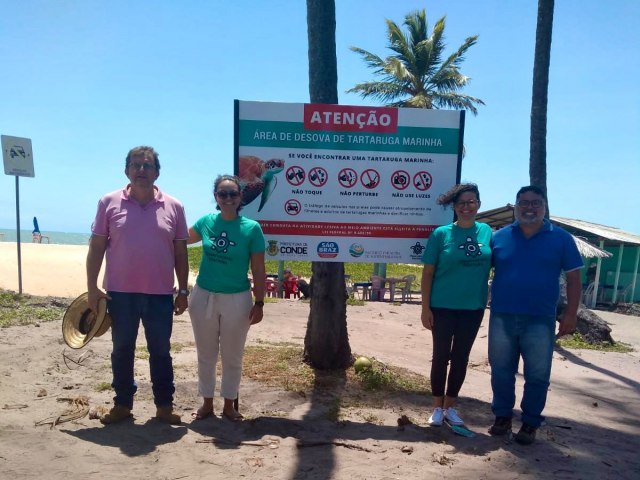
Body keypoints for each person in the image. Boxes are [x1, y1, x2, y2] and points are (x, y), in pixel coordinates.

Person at [86, 146, 189, 425]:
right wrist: (93, 289)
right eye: (135, 165)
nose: (141, 170)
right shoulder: (108, 202)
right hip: (120, 293)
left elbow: (180, 252)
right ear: (126, 171)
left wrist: (183, 290)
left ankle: (164, 406)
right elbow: (96, 247)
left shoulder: (175, 206)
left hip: (160, 295)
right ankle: (122, 405)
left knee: (160, 351)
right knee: (122, 350)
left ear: (157, 172)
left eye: (147, 166)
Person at [488, 185, 583, 445]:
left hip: (540, 319)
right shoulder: (499, 237)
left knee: (538, 374)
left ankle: (530, 423)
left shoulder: (561, 238)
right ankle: (502, 417)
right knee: (500, 370)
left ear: (544, 206)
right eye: (524, 202)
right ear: (516, 205)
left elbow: (574, 279)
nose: (529, 207)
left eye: (535, 203)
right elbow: (475, 271)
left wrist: (570, 314)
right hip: (502, 316)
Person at [187, 175, 266, 421]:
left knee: (233, 355)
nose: (228, 198)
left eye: (233, 194)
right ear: (216, 197)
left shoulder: (251, 228)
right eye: (223, 194)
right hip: (203, 296)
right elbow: (177, 240)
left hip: (238, 299)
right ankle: (207, 403)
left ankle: (229, 405)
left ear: (241, 197)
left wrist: (260, 302)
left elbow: (259, 269)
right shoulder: (206, 222)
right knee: (206, 354)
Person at [420, 183, 492, 427]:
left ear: (479, 204)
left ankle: (451, 407)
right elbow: (428, 273)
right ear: (454, 207)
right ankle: (437, 407)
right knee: (440, 356)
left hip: (473, 307)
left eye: (471, 202)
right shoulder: (441, 234)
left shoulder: (487, 232)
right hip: (442, 306)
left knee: (461, 357)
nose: (466, 207)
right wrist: (425, 308)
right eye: (461, 203)